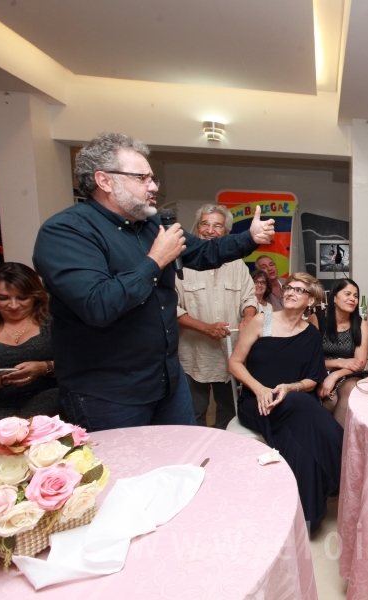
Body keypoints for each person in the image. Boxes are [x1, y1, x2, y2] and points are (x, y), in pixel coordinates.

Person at [32, 132, 274, 432]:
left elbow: (204, 253)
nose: (154, 186)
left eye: (153, 177)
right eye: (142, 178)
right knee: (124, 476)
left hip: (167, 381)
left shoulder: (151, 226)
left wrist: (249, 238)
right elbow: (98, 304)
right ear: (104, 180)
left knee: (181, 464)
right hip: (108, 393)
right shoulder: (66, 231)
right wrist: (155, 261)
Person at [228, 273, 341, 532]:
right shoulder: (262, 321)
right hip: (257, 402)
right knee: (302, 406)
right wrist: (259, 389)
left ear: (310, 300)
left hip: (293, 403)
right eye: (288, 288)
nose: (290, 292)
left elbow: (313, 379)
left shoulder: (311, 334)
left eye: (299, 290)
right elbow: (234, 363)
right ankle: (343, 472)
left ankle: (307, 519)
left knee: (300, 443)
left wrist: (290, 387)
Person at [176, 204, 258, 429]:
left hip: (230, 355)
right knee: (193, 414)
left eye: (217, 225)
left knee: (230, 412)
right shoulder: (179, 262)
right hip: (193, 357)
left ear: (226, 232)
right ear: (197, 227)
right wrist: (205, 328)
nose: (210, 230)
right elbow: (171, 309)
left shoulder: (237, 264)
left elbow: (249, 298)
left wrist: (249, 316)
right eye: (205, 223)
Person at [0, 263, 60, 432]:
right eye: (3, 298)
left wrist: (45, 367)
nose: (13, 305)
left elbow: (83, 367)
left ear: (35, 295)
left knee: (48, 405)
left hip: (48, 402)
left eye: (22, 298)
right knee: (1, 433)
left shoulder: (56, 323)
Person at [318, 278, 368, 427]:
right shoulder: (318, 320)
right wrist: (338, 362)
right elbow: (308, 359)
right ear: (334, 297)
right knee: (345, 407)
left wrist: (335, 375)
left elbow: (359, 363)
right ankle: (341, 445)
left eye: (355, 296)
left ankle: (338, 446)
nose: (352, 299)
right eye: (347, 294)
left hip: (348, 375)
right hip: (320, 373)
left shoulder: (360, 324)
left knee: (351, 388)